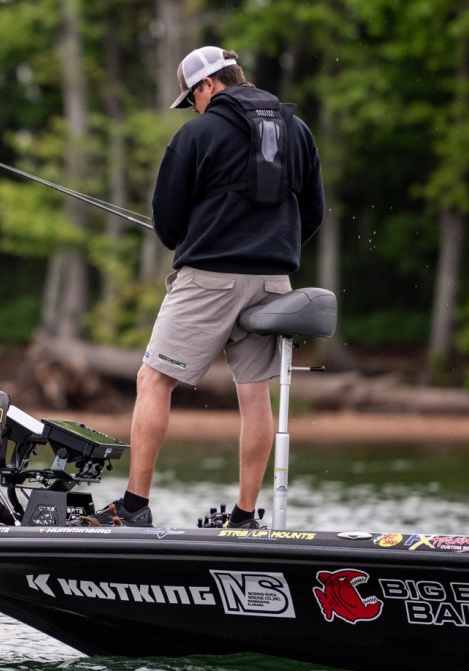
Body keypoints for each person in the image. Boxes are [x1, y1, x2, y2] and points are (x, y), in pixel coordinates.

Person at [93, 46, 325, 528]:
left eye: (192, 99)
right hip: (274, 283)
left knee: (154, 380)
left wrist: (202, 240)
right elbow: (313, 211)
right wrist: (272, 248)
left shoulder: (197, 134)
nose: (194, 109)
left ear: (208, 85)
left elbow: (167, 221)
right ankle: (244, 516)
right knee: (254, 394)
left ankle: (134, 508)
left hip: (208, 279)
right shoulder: (297, 130)